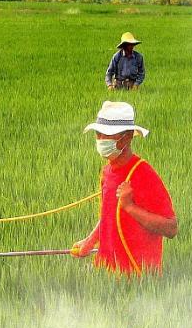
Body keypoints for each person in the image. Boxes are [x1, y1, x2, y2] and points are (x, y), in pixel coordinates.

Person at [71, 101, 177, 275]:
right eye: (98, 134)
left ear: (127, 137)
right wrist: (89, 241)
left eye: (108, 135)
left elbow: (171, 229)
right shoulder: (107, 172)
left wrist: (130, 207)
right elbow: (108, 215)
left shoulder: (144, 174)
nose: (101, 140)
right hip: (106, 271)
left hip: (136, 278)